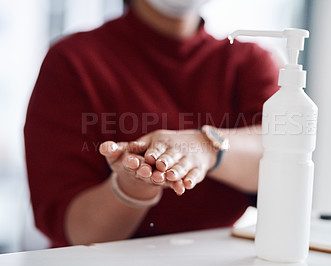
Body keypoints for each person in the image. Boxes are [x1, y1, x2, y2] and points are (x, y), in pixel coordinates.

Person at [24, 0, 279, 247]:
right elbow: (78, 231)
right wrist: (130, 187)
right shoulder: (72, 60)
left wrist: (206, 147)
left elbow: (283, 161)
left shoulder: (248, 63)